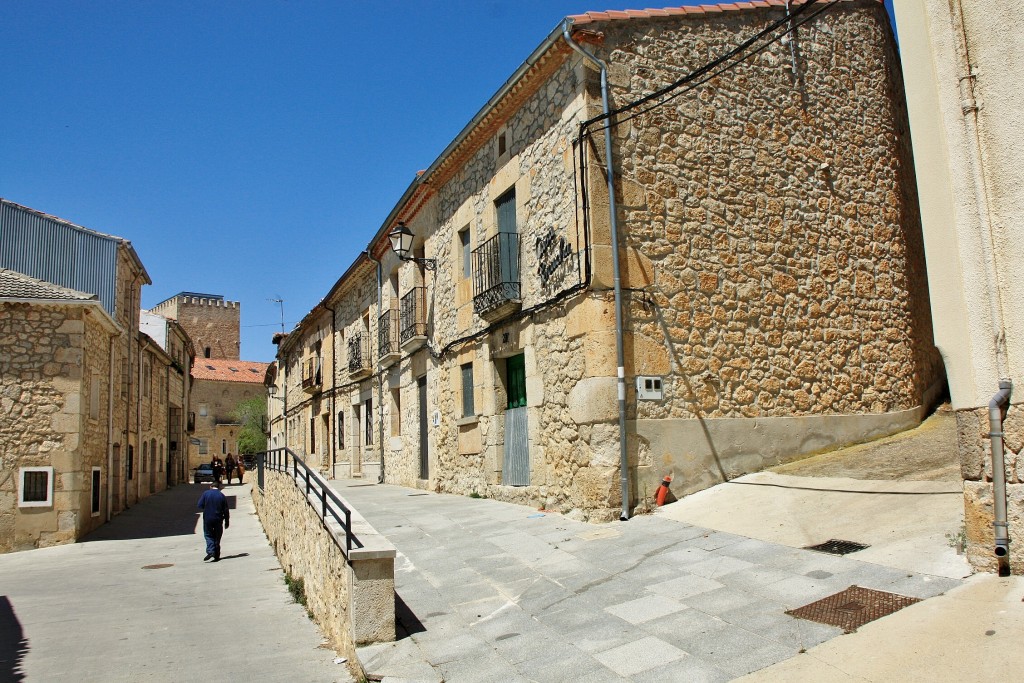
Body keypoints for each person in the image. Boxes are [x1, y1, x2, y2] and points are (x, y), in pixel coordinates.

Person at [197, 480, 230, 561]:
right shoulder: (221, 495)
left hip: (208, 518)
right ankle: (216, 554)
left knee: (208, 535)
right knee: (217, 536)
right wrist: (227, 521)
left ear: (211, 486)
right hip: (218, 518)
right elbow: (226, 510)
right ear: (218, 487)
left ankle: (211, 551)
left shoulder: (206, 493)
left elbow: (200, 505)